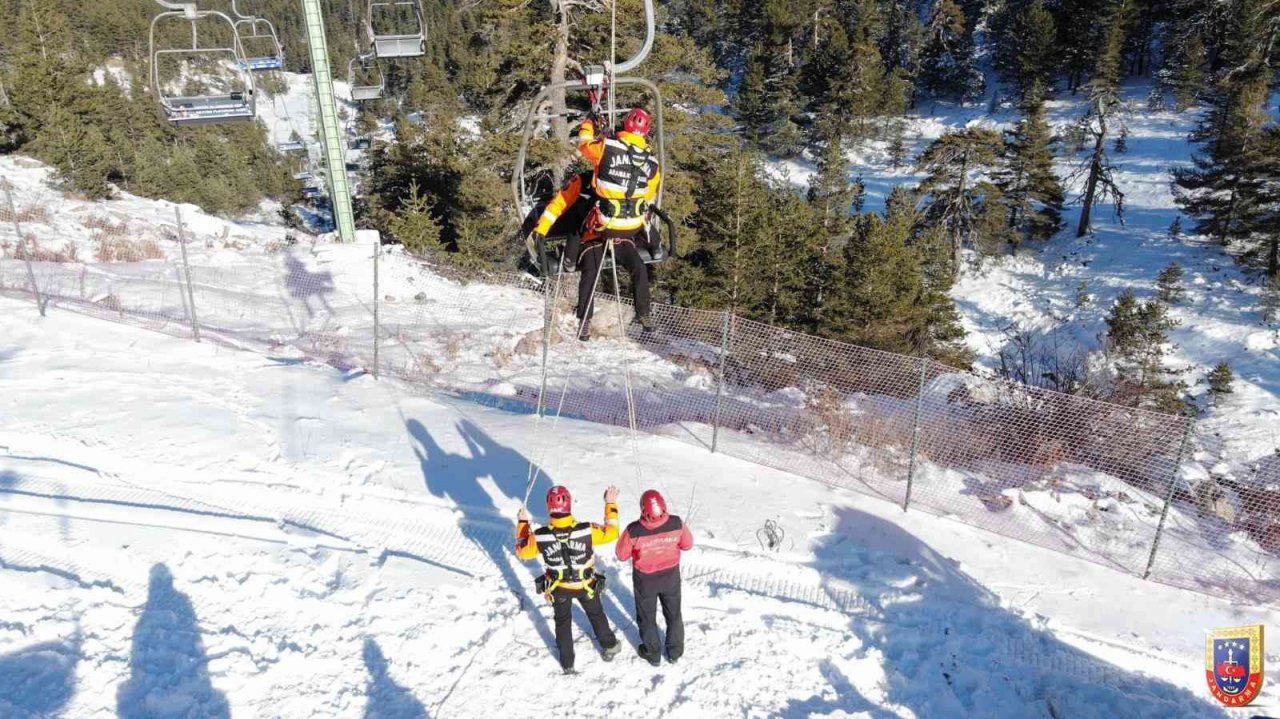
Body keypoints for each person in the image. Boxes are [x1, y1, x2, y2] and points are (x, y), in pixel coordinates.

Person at [531, 108, 662, 339]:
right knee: (592, 270)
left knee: (637, 266)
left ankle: (644, 314)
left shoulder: (605, 151)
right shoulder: (649, 163)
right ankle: (585, 322)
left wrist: (589, 123)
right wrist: (542, 230)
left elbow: (584, 143)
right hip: (609, 231)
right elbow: (559, 204)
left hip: (610, 229)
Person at [515, 484, 623, 674]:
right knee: (596, 615)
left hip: (559, 588)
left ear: (549, 507)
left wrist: (523, 524)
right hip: (586, 585)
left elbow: (522, 551)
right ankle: (610, 646)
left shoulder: (540, 536)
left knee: (562, 623)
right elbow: (612, 532)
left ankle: (567, 663)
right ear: (569, 504)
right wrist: (610, 504)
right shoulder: (586, 530)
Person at [615, 489, 693, 666]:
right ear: (664, 506)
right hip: (670, 576)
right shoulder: (676, 523)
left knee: (646, 617)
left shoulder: (634, 530)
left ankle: (653, 653)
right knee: (673, 614)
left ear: (643, 510)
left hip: (646, 580)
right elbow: (687, 544)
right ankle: (675, 652)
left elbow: (621, 554)